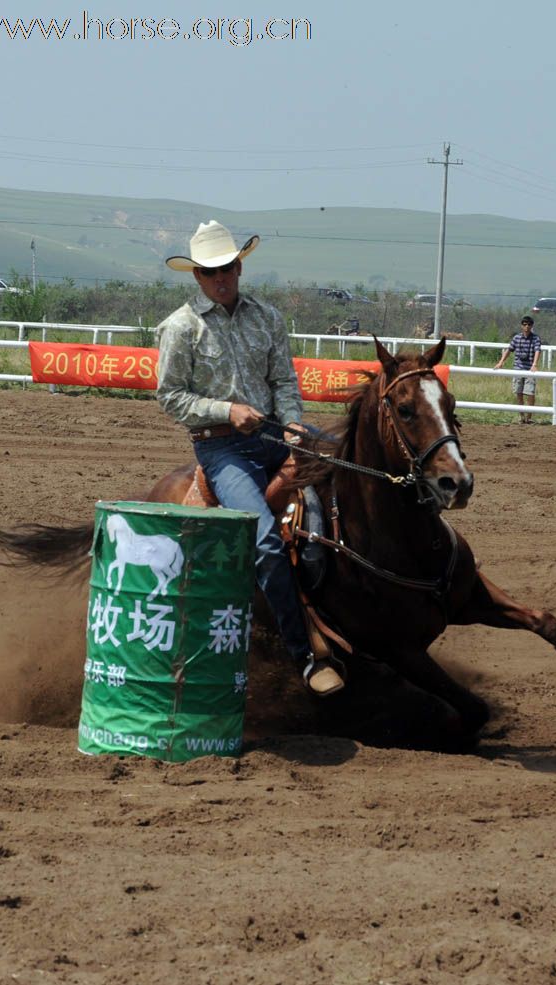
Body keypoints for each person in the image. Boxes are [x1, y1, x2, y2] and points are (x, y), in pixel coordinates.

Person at [156, 220, 344, 696]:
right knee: (264, 541)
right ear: (197, 276)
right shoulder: (181, 328)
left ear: (239, 268)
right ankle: (303, 656)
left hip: (276, 434)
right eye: (209, 272)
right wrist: (225, 409)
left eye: (226, 268)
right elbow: (171, 396)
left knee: (351, 465)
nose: (220, 278)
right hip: (221, 447)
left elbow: (283, 379)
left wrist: (295, 419)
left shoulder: (268, 318)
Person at [494, 315, 542, 424]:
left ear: (532, 326)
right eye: (524, 324)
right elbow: (509, 350)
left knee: (530, 393)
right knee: (518, 392)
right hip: (518, 368)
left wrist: (534, 364)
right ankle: (522, 416)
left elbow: (537, 351)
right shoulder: (516, 338)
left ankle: (529, 417)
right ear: (521, 326)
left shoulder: (536, 338)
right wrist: (501, 362)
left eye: (529, 324)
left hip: (530, 369)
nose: (527, 327)